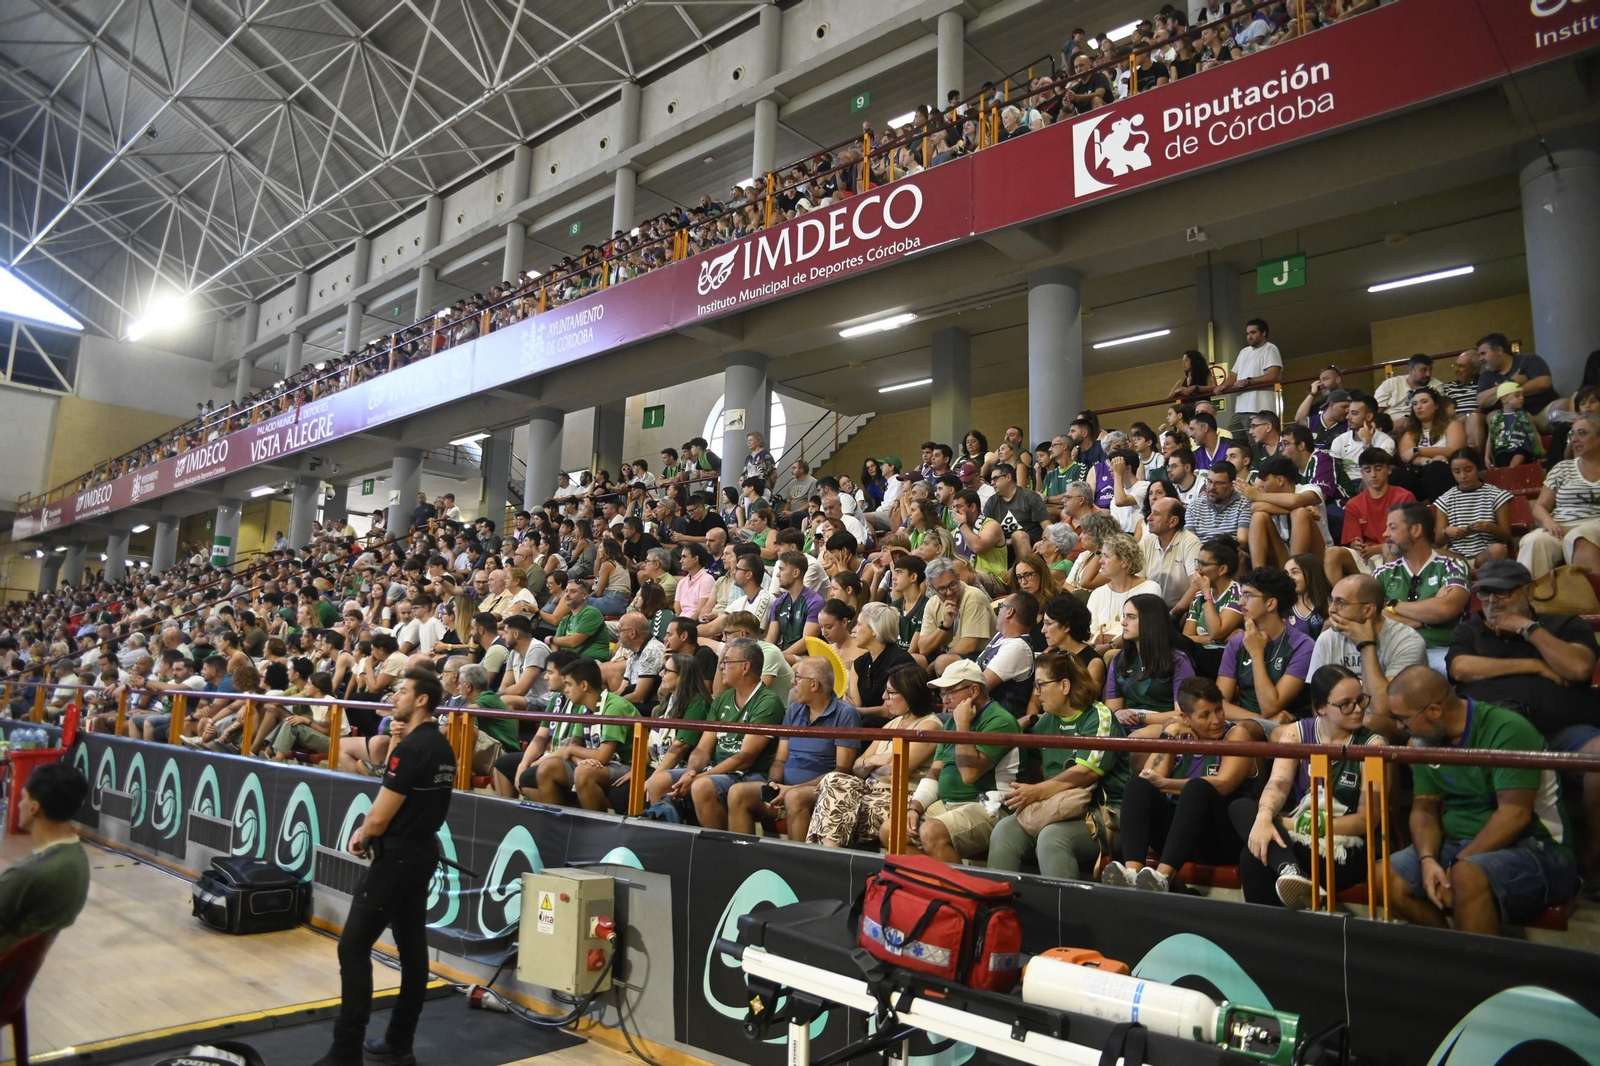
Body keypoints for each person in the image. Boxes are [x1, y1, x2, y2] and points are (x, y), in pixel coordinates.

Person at [317, 670, 454, 1066]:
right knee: (413, 950)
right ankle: (400, 1044)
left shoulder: (411, 750)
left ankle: (345, 1051)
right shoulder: (441, 745)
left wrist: (363, 832)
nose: (396, 696)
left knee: (353, 946)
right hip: (422, 851)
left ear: (423, 699)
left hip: (397, 857)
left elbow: (380, 815)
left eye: (403, 691)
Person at [1380, 665, 1578, 936]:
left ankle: (1475, 972)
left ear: (1434, 712)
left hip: (1538, 848)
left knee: (1467, 877)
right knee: (1384, 876)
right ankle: (1456, 958)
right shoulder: (1422, 741)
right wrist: (1427, 859)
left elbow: (1514, 815)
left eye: (1404, 719)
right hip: (1459, 845)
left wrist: (1457, 865)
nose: (1400, 727)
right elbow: (1425, 809)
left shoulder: (1507, 729)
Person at [1446, 560, 1600, 892]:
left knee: (1599, 756)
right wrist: (1534, 665)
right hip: (1492, 734)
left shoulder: (1564, 624)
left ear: (1529, 591)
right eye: (1484, 592)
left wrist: (1527, 629)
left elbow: (1577, 667)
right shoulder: (1470, 630)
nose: (1491, 600)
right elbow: (1460, 668)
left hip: (1560, 733)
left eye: (1502, 591)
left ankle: (1593, 856)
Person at [1231, 665, 1386, 909]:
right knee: (1241, 809)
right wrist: (1263, 817)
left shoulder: (1373, 745)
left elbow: (1367, 819)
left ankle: (1270, 934)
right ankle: (1290, 872)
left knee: (1254, 855)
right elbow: (1277, 785)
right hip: (1302, 837)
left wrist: (1288, 824)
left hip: (1347, 846)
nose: (1357, 709)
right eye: (1346, 704)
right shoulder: (1296, 733)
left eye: (1361, 700)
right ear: (1321, 706)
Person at [1103, 677, 1256, 892]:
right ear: (1185, 718)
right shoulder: (1179, 737)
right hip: (1180, 836)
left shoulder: (1236, 734)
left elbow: (1223, 784)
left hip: (1221, 837)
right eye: (1205, 715)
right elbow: (1149, 777)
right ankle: (1132, 874)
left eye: (1219, 710)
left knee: (1198, 787)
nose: (1216, 720)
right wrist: (1170, 735)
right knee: (1137, 786)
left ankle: (1162, 878)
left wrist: (1166, 784)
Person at [988, 650, 1129, 881]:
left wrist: (1036, 791)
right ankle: (998, 911)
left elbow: (1085, 774)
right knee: (1004, 831)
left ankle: (1063, 916)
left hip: (1105, 813)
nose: (1036, 693)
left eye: (1041, 685)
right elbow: (1030, 763)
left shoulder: (1099, 716)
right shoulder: (1047, 721)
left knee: (1053, 838)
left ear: (1065, 685)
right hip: (1056, 808)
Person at [643, 639, 784, 829]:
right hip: (718, 771)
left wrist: (698, 778)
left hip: (751, 775)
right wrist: (692, 770)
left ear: (745, 667)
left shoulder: (768, 702)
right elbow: (703, 748)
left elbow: (745, 758)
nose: (722, 667)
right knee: (657, 782)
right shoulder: (723, 698)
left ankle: (718, 850)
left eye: (726, 662)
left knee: (701, 786)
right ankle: (671, 846)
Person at [809, 663, 944, 847]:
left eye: (890, 692)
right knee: (834, 780)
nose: (884, 697)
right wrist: (874, 760)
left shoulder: (929, 726)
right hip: (869, 791)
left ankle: (824, 853)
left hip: (900, 797)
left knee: (834, 806)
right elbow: (857, 768)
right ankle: (829, 853)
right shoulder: (894, 723)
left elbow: (894, 773)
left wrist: (870, 767)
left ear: (910, 694)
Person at [896, 661, 1020, 862]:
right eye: (943, 694)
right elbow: (935, 772)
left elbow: (969, 774)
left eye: (950, 692)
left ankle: (957, 890)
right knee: (892, 830)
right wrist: (914, 808)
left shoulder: (1000, 720)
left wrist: (963, 726)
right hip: (948, 804)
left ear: (973, 690)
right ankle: (934, 882)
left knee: (931, 832)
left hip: (990, 807)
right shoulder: (952, 721)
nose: (945, 700)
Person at [726, 657, 861, 840]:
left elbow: (841, 772)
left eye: (797, 677)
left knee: (795, 797)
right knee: (737, 792)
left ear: (814, 685)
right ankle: (743, 861)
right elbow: (781, 759)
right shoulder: (794, 710)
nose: (792, 682)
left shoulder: (845, 714)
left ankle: (797, 866)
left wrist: (792, 789)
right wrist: (773, 783)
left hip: (820, 793)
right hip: (786, 788)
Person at [0, 762, 91, 956]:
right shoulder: (78, 858)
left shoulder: (27, 874)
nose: (19, 804)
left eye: (23, 797)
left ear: (34, 807)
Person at [1217, 566, 1314, 736]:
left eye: (1248, 595)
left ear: (1271, 604)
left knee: (1241, 732)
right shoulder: (1237, 643)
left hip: (1286, 729)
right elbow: (1218, 703)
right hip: (1246, 722)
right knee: (1175, 726)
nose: (1240, 602)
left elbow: (1270, 706)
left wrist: (1256, 654)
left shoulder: (1302, 646)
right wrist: (1257, 718)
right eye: (1242, 595)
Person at [1374, 500, 1469, 672]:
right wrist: (1428, 616)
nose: (1385, 534)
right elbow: (1373, 617)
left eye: (1393, 527)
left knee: (1456, 671)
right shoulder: (1382, 573)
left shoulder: (1452, 566)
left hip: (1440, 652)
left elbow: (1446, 608)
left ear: (1416, 530)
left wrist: (1393, 605)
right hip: (1394, 651)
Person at [1519, 413, 1600, 577]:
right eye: (1572, 434)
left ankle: (1591, 599)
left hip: (1594, 523)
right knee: (1533, 541)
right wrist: (1549, 522)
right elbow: (1540, 507)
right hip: (1561, 525)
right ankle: (1533, 598)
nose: (1574, 439)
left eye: (1582, 433)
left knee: (1579, 536)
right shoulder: (1562, 468)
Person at [1326, 448, 1413, 581]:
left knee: (1390, 550)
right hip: (1366, 556)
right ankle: (1338, 598)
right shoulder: (1354, 504)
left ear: (1389, 470)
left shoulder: (1404, 497)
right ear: (1361, 473)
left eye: (1378, 469)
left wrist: (1376, 549)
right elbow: (1352, 541)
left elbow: (1407, 538)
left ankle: (1390, 597)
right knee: (1332, 553)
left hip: (1397, 553)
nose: (1373, 475)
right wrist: (1357, 545)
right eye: (1367, 470)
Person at [1432, 448, 1512, 567]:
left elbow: (1506, 535)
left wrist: (1490, 527)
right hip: (1457, 556)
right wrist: (1447, 531)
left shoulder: (1495, 495)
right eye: (1456, 471)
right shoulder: (1445, 499)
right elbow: (1438, 541)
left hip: (1485, 555)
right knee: (1431, 553)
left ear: (1478, 468)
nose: (1463, 476)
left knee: (1498, 550)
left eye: (1468, 470)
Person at [1085, 534, 1161, 646]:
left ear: (1124, 561)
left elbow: (1144, 630)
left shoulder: (1149, 588)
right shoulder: (1098, 593)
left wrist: (1110, 646)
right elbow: (1090, 633)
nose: (1100, 561)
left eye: (1106, 556)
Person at [1218, 318, 1283, 434]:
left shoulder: (1270, 349)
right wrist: (1223, 386)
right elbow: (1233, 375)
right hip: (1240, 408)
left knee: (1256, 446)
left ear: (1264, 333)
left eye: (1253, 332)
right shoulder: (1244, 352)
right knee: (1234, 443)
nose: (1249, 336)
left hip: (1260, 408)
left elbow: (1272, 376)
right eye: (1247, 333)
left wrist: (1248, 381)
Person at [1373, 353, 1434, 420]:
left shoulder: (1435, 386)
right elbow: (1377, 411)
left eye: (1430, 370)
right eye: (1424, 370)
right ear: (1411, 370)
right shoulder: (1391, 383)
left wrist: (1406, 420)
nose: (1428, 374)